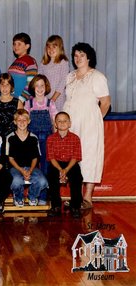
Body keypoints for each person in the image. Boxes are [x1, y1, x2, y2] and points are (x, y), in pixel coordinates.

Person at [63, 42, 111, 209]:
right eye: (75, 55)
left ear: (89, 57)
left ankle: (87, 198)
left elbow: (105, 102)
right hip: (70, 124)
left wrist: (96, 119)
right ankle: (75, 197)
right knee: (72, 159)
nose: (78, 58)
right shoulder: (70, 76)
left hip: (90, 124)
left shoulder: (97, 77)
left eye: (81, 55)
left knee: (89, 158)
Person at [6, 109, 48, 207]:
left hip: (31, 168)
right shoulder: (10, 137)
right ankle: (18, 197)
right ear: (15, 122)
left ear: (29, 121)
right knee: (16, 181)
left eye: (24, 120)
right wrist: (21, 170)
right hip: (16, 168)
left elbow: (35, 158)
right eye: (19, 120)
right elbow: (10, 159)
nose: (22, 122)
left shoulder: (33, 137)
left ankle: (32, 196)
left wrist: (30, 170)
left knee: (42, 181)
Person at [47, 112, 83, 218]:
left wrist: (66, 170)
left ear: (70, 123)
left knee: (77, 178)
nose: (62, 123)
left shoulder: (75, 138)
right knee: (52, 177)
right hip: (56, 163)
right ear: (55, 124)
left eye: (65, 121)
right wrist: (59, 169)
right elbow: (51, 157)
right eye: (59, 121)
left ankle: (75, 206)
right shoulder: (50, 138)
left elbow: (75, 157)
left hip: (70, 164)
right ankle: (56, 205)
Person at [25, 74, 58, 175]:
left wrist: (55, 137)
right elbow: (24, 122)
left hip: (47, 139)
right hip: (32, 139)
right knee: (33, 163)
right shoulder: (28, 103)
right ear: (33, 88)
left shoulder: (50, 103)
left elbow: (55, 121)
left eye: (42, 85)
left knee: (46, 163)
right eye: (37, 86)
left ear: (46, 87)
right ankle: (35, 188)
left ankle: (45, 188)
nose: (39, 88)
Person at [39, 35, 69, 112]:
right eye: (49, 47)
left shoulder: (63, 62)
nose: (51, 49)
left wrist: (53, 99)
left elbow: (63, 82)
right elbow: (39, 79)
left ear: (60, 48)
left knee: (57, 118)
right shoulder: (43, 62)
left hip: (58, 97)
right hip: (45, 96)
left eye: (54, 47)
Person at [0, 73, 23, 137]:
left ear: (11, 86)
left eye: (7, 84)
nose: (4, 87)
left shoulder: (18, 103)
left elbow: (21, 121)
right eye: (2, 84)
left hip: (14, 137)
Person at [7, 33, 38, 102]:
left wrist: (20, 101)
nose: (16, 46)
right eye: (14, 44)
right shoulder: (15, 63)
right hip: (13, 100)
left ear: (27, 46)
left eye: (19, 44)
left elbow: (30, 85)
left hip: (23, 102)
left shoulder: (30, 61)